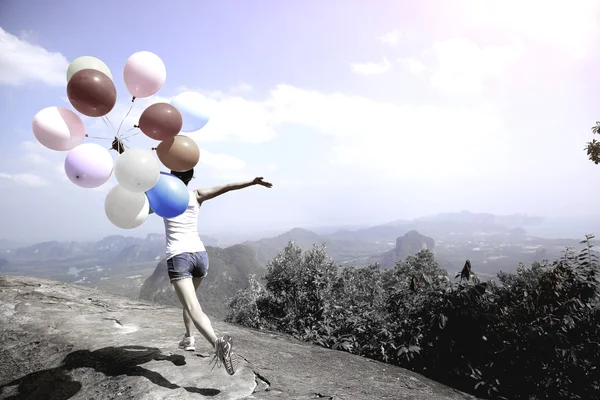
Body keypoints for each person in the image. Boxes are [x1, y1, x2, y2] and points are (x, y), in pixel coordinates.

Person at [164, 168, 272, 376]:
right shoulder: (196, 195)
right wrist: (252, 181)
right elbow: (227, 187)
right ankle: (189, 338)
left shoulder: (163, 195)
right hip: (200, 257)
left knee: (193, 305)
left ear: (171, 174)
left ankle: (218, 343)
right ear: (190, 177)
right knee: (190, 301)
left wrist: (121, 151)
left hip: (179, 257)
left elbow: (140, 176)